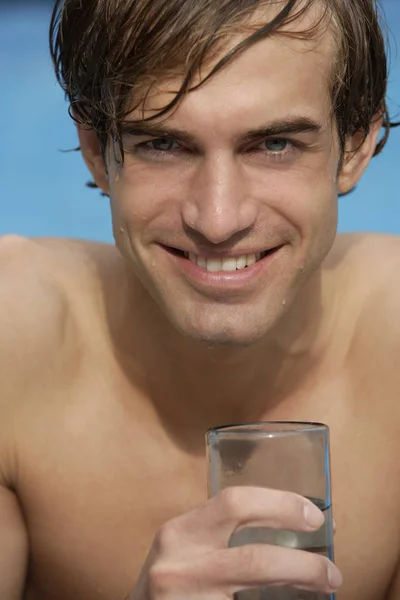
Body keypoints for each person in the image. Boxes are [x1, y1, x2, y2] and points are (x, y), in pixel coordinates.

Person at [1, 0, 400, 598]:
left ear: (356, 147)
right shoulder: (13, 345)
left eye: (274, 144)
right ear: (95, 151)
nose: (218, 219)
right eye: (164, 144)